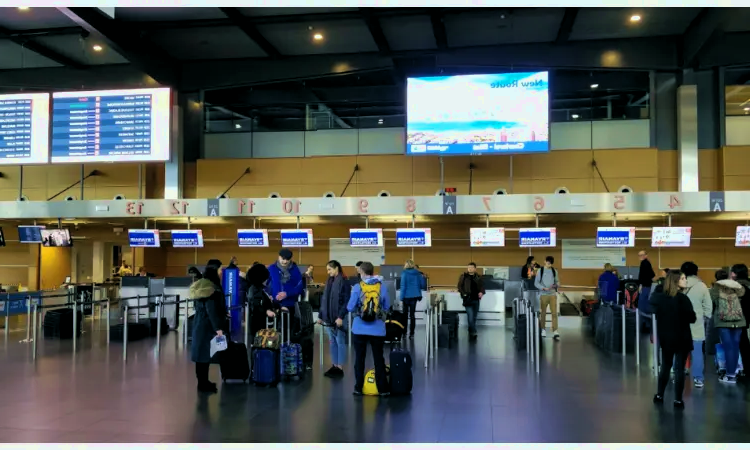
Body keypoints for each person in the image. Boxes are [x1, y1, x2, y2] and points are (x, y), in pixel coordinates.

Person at [650, 270, 696, 408]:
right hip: (682, 337)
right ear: (676, 281)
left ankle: (659, 395)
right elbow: (692, 318)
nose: (685, 281)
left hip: (666, 337)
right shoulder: (683, 299)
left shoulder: (660, 298)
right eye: (683, 278)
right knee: (679, 369)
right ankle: (677, 400)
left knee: (665, 366)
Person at [347, 262, 390, 396]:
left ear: (362, 272)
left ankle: (358, 387)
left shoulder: (357, 287)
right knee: (378, 358)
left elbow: (350, 307)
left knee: (359, 358)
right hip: (377, 329)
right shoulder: (382, 287)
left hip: (359, 328)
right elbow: (387, 306)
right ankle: (383, 389)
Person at [190, 265, 228, 394]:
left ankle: (202, 382)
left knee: (200, 356)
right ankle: (203, 383)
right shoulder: (211, 290)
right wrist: (218, 328)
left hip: (198, 324)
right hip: (207, 326)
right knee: (205, 356)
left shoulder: (200, 288)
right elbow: (211, 310)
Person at [710, 269, 746, 384]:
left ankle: (730, 375)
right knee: (735, 347)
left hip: (723, 321)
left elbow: (712, 302)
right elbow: (743, 294)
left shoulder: (715, 288)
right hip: (738, 320)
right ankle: (733, 373)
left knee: (728, 347)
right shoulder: (737, 286)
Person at [680, 262, 712, 388]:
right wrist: (703, 316)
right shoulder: (702, 286)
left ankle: (678, 375)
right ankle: (698, 378)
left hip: (680, 322)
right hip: (697, 322)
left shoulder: (679, 284)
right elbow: (708, 306)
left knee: (680, 351)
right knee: (697, 352)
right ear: (696, 271)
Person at [318, 260, 350, 378]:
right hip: (328, 318)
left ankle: (340, 367)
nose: (328, 272)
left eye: (329, 269)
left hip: (339, 318)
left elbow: (347, 301)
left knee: (340, 342)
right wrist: (321, 316)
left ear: (336, 268)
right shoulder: (329, 281)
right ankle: (334, 364)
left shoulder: (344, 282)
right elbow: (325, 300)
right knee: (332, 342)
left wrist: (341, 317)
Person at [246, 263, 276, 337]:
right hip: (258, 323)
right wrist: (266, 310)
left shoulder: (257, 288)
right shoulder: (255, 289)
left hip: (259, 322)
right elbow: (256, 304)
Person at [457, 262, 485, 341]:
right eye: (469, 267)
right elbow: (459, 286)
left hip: (476, 299)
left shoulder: (478, 277)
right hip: (468, 299)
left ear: (475, 269)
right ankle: (473, 331)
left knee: (474, 316)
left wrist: (481, 292)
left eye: (472, 267)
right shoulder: (463, 277)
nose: (470, 268)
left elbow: (482, 287)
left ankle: (470, 328)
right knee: (470, 316)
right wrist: (464, 294)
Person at [731, 263, 750, 377]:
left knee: (733, 345)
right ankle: (747, 369)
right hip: (746, 319)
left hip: (735, 319)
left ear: (736, 273)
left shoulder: (735, 287)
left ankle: (732, 370)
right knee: (745, 344)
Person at [535, 256, 560, 340]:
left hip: (552, 294)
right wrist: (543, 288)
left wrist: (555, 285)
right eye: (548, 263)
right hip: (543, 294)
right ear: (545, 261)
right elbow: (536, 283)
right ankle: (543, 329)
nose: (549, 265)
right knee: (543, 313)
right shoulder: (540, 271)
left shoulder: (554, 271)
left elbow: (557, 282)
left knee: (554, 313)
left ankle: (555, 331)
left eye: (550, 263)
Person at [400, 259, 425, 339]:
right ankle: (412, 334)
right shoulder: (418, 273)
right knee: (412, 315)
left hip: (406, 297)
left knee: (405, 315)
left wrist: (401, 297)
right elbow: (423, 285)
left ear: (406, 265)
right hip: (414, 296)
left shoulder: (404, 273)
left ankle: (404, 333)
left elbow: (403, 286)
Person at [638, 250, 656, 329]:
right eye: (639, 255)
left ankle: (644, 322)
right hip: (648, 285)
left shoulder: (643, 263)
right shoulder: (648, 263)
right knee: (645, 302)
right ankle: (647, 322)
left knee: (641, 304)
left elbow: (642, 276)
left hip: (645, 285)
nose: (641, 256)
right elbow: (653, 274)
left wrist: (641, 284)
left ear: (646, 255)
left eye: (642, 255)